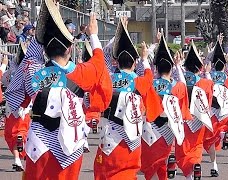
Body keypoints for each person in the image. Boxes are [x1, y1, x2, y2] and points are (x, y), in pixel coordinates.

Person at [22, 0, 112, 179]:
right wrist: (93, 35)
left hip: (39, 145)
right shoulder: (82, 74)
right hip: (70, 145)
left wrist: (47, 17)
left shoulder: (33, 71)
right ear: (70, 49)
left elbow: (31, 54)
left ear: (45, 49)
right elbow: (99, 63)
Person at [93, 17, 162, 180]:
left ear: (115, 61)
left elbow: (101, 60)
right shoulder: (139, 82)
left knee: (105, 172)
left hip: (109, 137)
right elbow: (148, 72)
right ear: (135, 62)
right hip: (132, 140)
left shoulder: (107, 79)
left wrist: (113, 35)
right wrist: (147, 55)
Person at [141, 35, 190, 180]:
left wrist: (146, 56)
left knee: (153, 165)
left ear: (156, 68)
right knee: (160, 162)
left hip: (149, 130)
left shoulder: (149, 85)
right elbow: (184, 87)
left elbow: (142, 73)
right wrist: (179, 66)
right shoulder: (177, 86)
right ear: (171, 68)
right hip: (168, 131)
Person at [174, 41, 213, 179]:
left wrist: (177, 66)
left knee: (182, 148)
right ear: (200, 67)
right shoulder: (204, 82)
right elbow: (210, 96)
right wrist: (207, 73)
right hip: (199, 119)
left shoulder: (179, 81)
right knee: (197, 145)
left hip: (184, 118)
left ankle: (189, 174)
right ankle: (196, 162)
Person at [203, 39, 228, 176]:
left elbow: (205, 68)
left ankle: (214, 164)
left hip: (212, 116)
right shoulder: (227, 79)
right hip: (227, 114)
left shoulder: (208, 80)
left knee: (210, 139)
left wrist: (210, 54)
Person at [3, 43, 30, 172]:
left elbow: (3, 81)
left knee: (11, 134)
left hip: (11, 105)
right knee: (24, 130)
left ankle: (17, 160)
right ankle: (22, 140)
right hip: (26, 107)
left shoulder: (11, 72)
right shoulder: (30, 72)